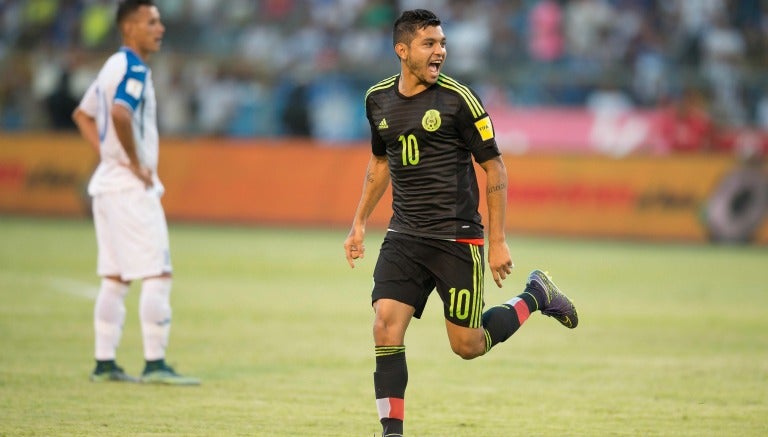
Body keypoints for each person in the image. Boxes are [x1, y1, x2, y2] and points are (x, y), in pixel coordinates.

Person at [343, 9, 578, 436]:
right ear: (402, 50)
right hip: (405, 236)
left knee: (467, 346)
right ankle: (391, 433)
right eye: (429, 44)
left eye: (443, 44)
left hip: (457, 239)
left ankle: (535, 295)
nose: (440, 53)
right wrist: (359, 222)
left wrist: (498, 240)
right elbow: (380, 162)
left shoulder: (459, 100)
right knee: (384, 326)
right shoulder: (377, 99)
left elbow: (495, 169)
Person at [71, 0, 199, 385]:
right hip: (129, 188)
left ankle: (104, 362)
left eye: (159, 21)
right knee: (158, 273)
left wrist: (109, 155)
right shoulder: (133, 68)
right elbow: (121, 113)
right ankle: (155, 363)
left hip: (107, 185)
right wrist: (134, 162)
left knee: (115, 277)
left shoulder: (111, 64)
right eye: (151, 22)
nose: (160, 28)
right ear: (129, 28)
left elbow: (83, 114)